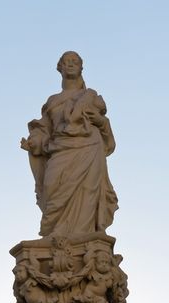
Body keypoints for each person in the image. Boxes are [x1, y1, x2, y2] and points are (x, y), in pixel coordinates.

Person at [21, 51, 118, 238]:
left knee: (88, 191)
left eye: (75, 61)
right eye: (67, 62)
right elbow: (44, 130)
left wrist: (99, 120)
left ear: (82, 67)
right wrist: (34, 142)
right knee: (51, 186)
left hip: (90, 148)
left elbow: (106, 131)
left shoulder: (91, 97)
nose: (71, 64)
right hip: (60, 149)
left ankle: (84, 238)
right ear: (60, 67)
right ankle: (55, 234)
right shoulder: (53, 101)